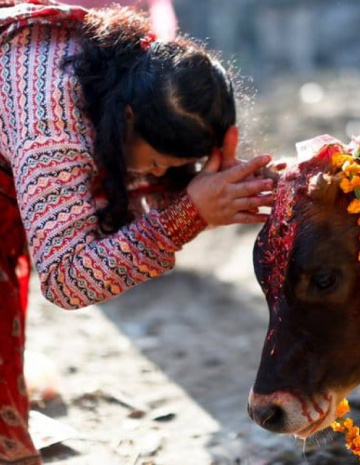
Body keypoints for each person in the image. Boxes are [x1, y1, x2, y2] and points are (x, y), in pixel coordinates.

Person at [0, 0, 274, 462]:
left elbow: (133, 184)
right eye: (154, 163)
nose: (155, 174)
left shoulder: (138, 64)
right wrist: (188, 215)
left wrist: (213, 185)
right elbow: (68, 279)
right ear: (126, 117)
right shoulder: (55, 129)